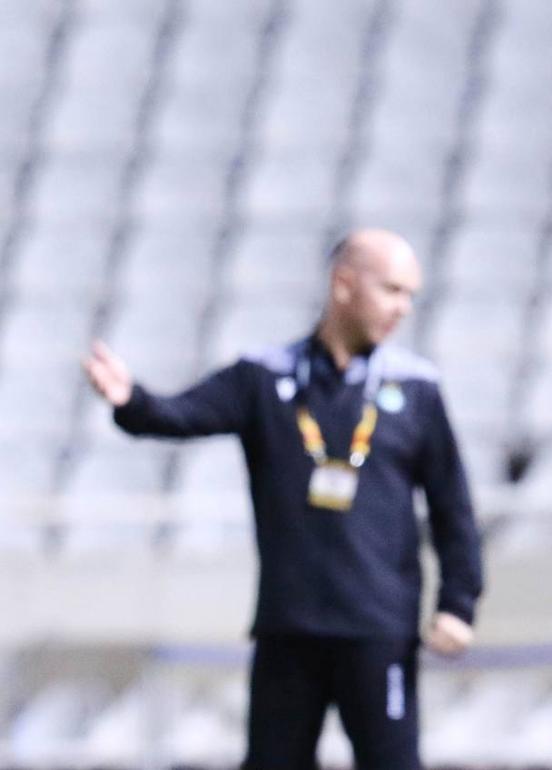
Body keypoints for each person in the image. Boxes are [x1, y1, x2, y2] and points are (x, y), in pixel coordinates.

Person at [82, 228, 484, 769]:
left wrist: (458, 601)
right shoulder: (264, 378)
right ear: (344, 286)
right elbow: (183, 414)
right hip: (289, 628)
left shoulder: (416, 390)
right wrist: (132, 401)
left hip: (379, 630)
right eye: (391, 290)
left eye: (410, 294)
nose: (403, 309)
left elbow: (452, 506)